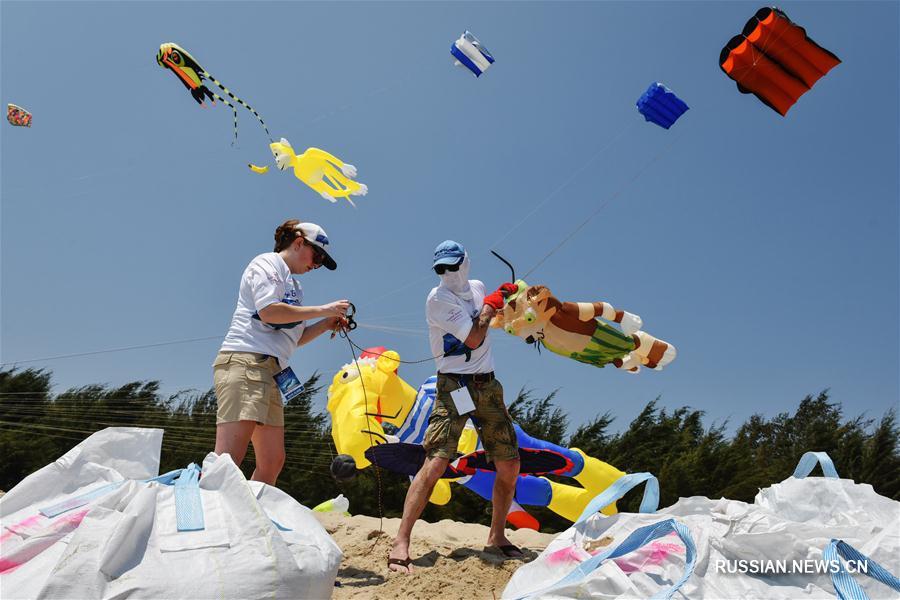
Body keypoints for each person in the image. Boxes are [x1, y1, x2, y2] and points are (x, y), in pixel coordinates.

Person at [388, 240, 521, 573]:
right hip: (454, 386)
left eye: (452, 265)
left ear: (466, 263)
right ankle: (401, 540)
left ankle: (497, 536)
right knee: (435, 463)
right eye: (441, 268)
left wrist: (510, 301)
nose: (448, 273)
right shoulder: (437, 299)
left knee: (510, 464)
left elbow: (494, 320)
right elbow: (475, 338)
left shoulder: (476, 287)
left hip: (487, 386)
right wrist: (491, 305)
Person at [213, 219, 349, 485]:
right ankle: (205, 521)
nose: (316, 264)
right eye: (317, 256)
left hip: (272, 370)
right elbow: (269, 311)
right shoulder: (267, 263)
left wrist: (325, 324)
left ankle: (252, 519)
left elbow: (292, 338)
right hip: (246, 361)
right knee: (227, 459)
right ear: (299, 242)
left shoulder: (294, 287)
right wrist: (324, 309)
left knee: (273, 460)